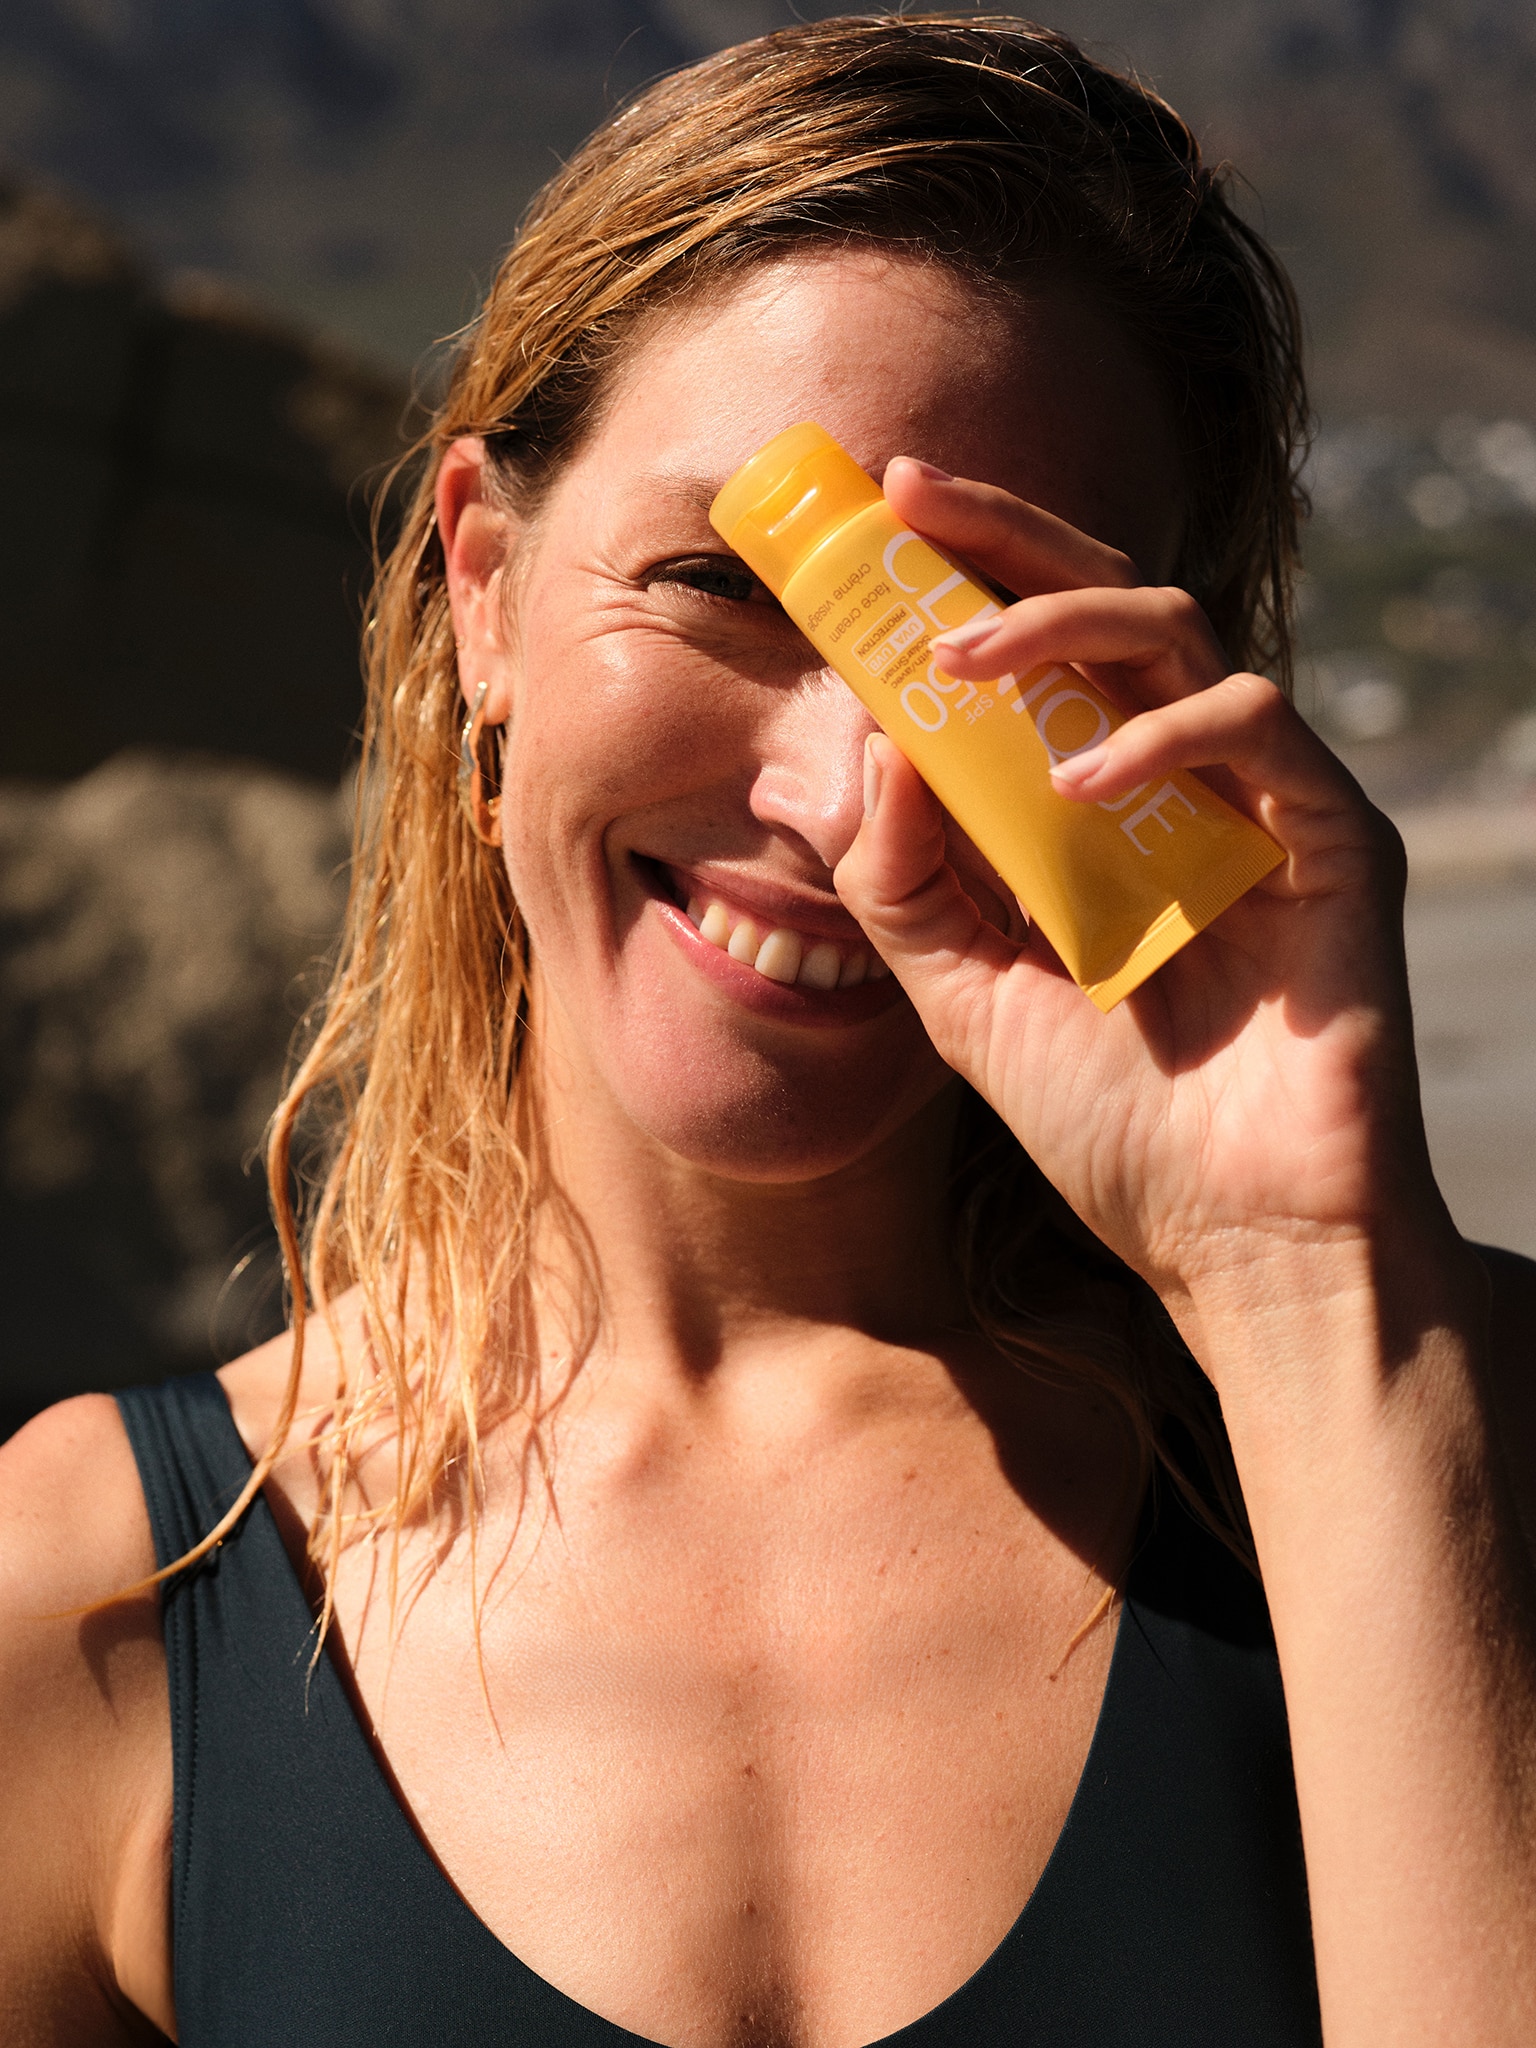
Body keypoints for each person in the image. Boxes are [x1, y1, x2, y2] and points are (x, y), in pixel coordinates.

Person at [3, 15, 1533, 2046]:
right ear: (482, 584)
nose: (841, 802)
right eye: (722, 582)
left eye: (983, 661)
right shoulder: (91, 1598)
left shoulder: (1446, 1432)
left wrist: (1310, 1287)